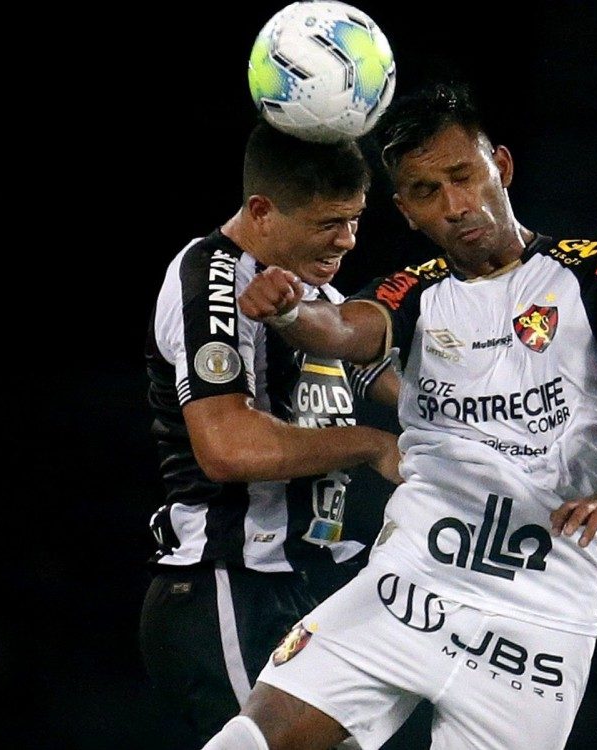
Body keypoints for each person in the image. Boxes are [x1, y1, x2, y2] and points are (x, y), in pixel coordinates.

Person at [202, 80, 597, 750]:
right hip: (407, 588)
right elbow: (343, 327)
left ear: (503, 168)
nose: (456, 205)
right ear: (404, 209)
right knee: (247, 741)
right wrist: (289, 311)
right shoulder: (415, 291)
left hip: (538, 623)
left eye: (465, 176)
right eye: (428, 192)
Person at [138, 119, 405, 746]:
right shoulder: (209, 277)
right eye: (327, 224)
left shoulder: (318, 299)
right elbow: (227, 447)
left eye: (355, 220)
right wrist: (370, 445)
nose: (347, 241)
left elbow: (419, 394)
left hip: (310, 591)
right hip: (228, 584)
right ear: (261, 209)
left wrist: (577, 349)